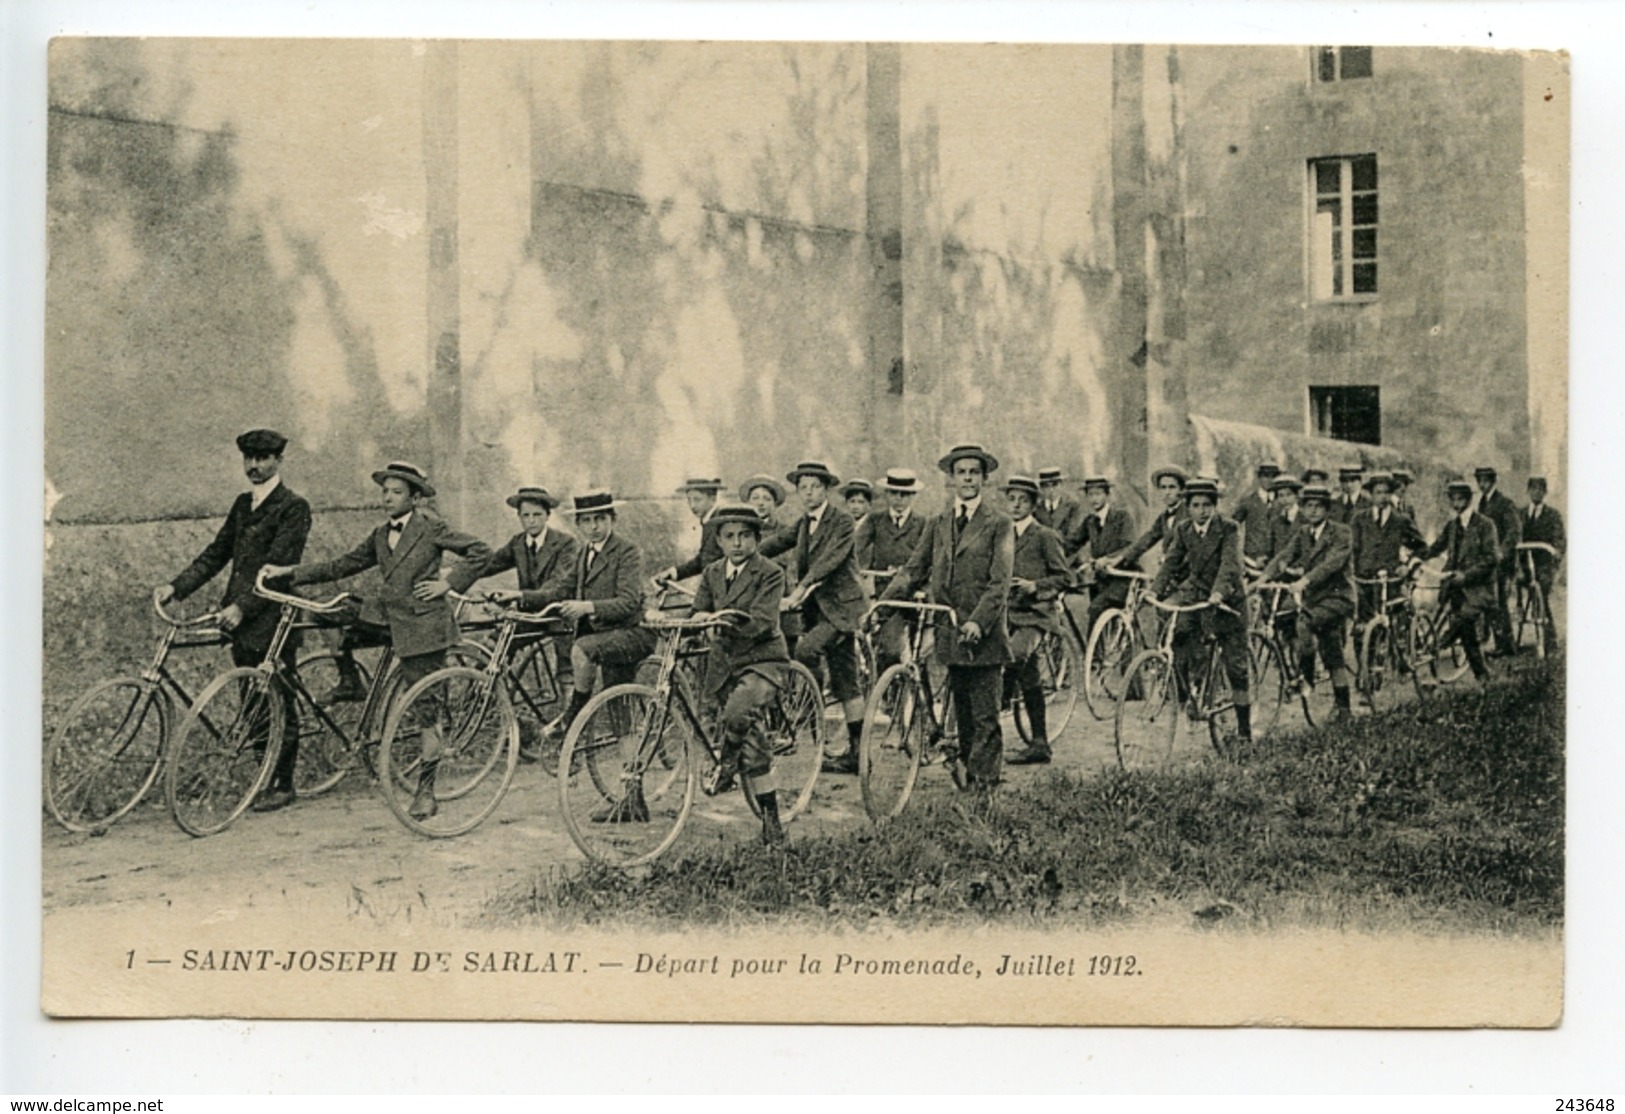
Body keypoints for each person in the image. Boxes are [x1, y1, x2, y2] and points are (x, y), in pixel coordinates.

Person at [264, 461, 491, 820]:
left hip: (423, 625)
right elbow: (342, 565)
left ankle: (426, 791)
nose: (388, 498)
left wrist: (448, 584)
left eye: (396, 492)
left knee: (426, 712)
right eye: (385, 491)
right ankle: (349, 679)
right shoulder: (380, 534)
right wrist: (290, 572)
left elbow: (480, 551)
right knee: (325, 612)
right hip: (386, 615)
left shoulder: (430, 527)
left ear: (415, 498)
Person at [157, 428, 312, 812]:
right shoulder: (243, 505)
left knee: (276, 698)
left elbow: (275, 568)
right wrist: (176, 588)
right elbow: (216, 554)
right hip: (242, 621)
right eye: (249, 459)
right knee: (252, 700)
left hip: (275, 615)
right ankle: (265, 772)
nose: (254, 466)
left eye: (262, 459)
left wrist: (242, 606)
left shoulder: (293, 507)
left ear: (278, 461)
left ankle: (284, 783)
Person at [881, 443, 1014, 791]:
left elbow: (999, 584)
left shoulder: (999, 524)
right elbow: (913, 569)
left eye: (973, 472)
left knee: (985, 715)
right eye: (961, 472)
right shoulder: (939, 523)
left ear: (984, 479)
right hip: (949, 630)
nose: (967, 478)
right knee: (965, 715)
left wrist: (978, 622)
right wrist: (882, 605)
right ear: (951, 480)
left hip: (981, 634)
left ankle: (984, 788)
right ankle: (971, 781)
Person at [686, 503, 795, 843]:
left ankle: (727, 767)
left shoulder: (770, 572)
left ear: (756, 539)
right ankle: (769, 817)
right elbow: (698, 609)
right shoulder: (713, 573)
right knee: (751, 737)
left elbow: (763, 621)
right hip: (724, 664)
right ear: (718, 541)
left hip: (762, 659)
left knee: (738, 714)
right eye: (729, 536)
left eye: (745, 536)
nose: (737, 543)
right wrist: (689, 621)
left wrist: (722, 620)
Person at [760, 461, 869, 772]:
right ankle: (857, 756)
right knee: (847, 682)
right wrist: (745, 556)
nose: (809, 493)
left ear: (826, 489)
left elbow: (829, 562)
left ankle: (813, 706)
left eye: (815, 487)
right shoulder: (804, 523)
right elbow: (776, 543)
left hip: (841, 610)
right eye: (803, 488)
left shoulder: (842, 521)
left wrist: (799, 590)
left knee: (806, 650)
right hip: (819, 610)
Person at [477, 485, 581, 762]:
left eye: (536, 515)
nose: (531, 521)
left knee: (567, 669)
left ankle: (571, 735)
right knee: (493, 648)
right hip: (531, 615)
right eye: (525, 515)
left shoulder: (565, 544)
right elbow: (487, 564)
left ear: (547, 515)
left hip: (561, 615)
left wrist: (519, 595)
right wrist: (449, 576)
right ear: (520, 517)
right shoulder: (518, 544)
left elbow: (558, 589)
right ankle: (510, 719)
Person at [547, 490, 660, 743]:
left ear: (612, 519)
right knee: (618, 707)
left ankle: (574, 714)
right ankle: (623, 769)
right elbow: (559, 591)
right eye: (586, 521)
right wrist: (518, 596)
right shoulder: (584, 553)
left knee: (582, 652)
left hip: (632, 633)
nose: (594, 526)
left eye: (600, 519)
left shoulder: (627, 552)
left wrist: (587, 606)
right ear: (578, 525)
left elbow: (628, 603)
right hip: (604, 637)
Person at [1147, 479, 1252, 744]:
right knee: (1178, 634)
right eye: (1195, 505)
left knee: (1236, 667)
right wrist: (1154, 590)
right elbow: (1171, 561)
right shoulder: (1183, 529)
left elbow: (1230, 565)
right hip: (1197, 596)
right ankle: (1189, 696)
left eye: (1207, 505)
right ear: (1188, 506)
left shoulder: (1228, 529)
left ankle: (1244, 731)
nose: (1201, 511)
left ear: (1215, 506)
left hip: (1227, 602)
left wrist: (1218, 593)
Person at [1261, 484, 1357, 719]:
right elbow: (1284, 555)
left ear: (1327, 509)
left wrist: (1305, 580)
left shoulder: (1341, 532)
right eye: (1308, 506)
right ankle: (1344, 709)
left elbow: (1332, 563)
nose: (1313, 511)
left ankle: (1307, 677)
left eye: (1318, 506)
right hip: (1315, 599)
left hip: (1338, 597)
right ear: (1302, 508)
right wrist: (1262, 579)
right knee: (1332, 649)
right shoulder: (1303, 532)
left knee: (1303, 623)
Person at [1001, 475, 1072, 765]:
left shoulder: (1044, 535)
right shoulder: (1001, 533)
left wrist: (1036, 586)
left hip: (1036, 615)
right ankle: (1040, 742)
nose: (1016, 505)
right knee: (1028, 675)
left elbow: (1065, 577)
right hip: (1007, 613)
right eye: (1012, 499)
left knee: (1014, 654)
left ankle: (1001, 702)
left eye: (1023, 500)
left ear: (1033, 505)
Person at [1418, 480, 1499, 683]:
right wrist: (1418, 558)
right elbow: (1436, 547)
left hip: (1479, 589)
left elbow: (1491, 558)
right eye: (1453, 499)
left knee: (1462, 620)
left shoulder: (1485, 525)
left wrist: (1467, 575)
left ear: (1469, 500)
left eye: (1460, 498)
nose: (1456, 503)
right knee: (1468, 636)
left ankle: (1439, 643)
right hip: (1454, 586)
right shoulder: (1452, 526)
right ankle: (1482, 675)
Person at [853, 468, 929, 674]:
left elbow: (928, 559)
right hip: (887, 599)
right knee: (889, 650)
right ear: (887, 494)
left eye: (904, 494)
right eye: (894, 493)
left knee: (920, 656)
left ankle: (925, 704)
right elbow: (855, 549)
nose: (899, 499)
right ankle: (889, 697)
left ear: (912, 496)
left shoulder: (923, 524)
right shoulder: (874, 521)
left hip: (915, 596)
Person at [1349, 472, 1424, 624]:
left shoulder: (1401, 520)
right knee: (1362, 627)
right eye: (1378, 492)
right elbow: (1352, 549)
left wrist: (1407, 566)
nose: (1383, 497)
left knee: (1399, 617)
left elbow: (1422, 548)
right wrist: (1352, 572)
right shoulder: (1359, 519)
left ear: (1391, 494)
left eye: (1386, 492)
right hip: (1364, 581)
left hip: (1391, 580)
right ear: (1370, 495)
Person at [1076, 475, 1138, 642]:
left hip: (1124, 579)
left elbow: (1130, 547)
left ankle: (1093, 663)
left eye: (1098, 494)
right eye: (1090, 494)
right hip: (1101, 580)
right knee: (1098, 619)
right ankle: (1096, 659)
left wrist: (1108, 559)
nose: (1094, 499)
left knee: (1097, 609)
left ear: (1107, 495)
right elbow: (1071, 543)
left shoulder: (1122, 516)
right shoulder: (1090, 521)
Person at [1473, 465, 1523, 657]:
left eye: (1485, 480)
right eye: (1479, 481)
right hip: (1488, 561)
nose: (1482, 484)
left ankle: (1506, 646)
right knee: (1491, 602)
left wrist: (1502, 552)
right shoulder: (1482, 503)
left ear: (1493, 481)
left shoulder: (1505, 503)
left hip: (1503, 563)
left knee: (1500, 602)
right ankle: (1499, 642)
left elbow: (1514, 532)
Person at [1519, 476, 1565, 655]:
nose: (1536, 493)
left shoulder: (1553, 515)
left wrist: (1555, 554)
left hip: (1544, 565)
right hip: (1524, 565)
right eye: (1533, 489)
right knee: (1519, 585)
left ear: (1545, 493)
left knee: (1541, 594)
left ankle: (1549, 640)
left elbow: (1560, 540)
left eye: (1540, 490)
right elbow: (1515, 535)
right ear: (1528, 491)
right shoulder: (1521, 514)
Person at [654, 477, 726, 584]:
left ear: (713, 499)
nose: (692, 506)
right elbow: (703, 559)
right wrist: (675, 572)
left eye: (697, 500)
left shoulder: (719, 522)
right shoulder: (708, 522)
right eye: (689, 500)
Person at [1114, 465, 1190, 568]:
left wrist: (1168, 559)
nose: (1167, 492)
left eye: (1172, 487)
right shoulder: (1164, 516)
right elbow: (1148, 538)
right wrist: (1122, 558)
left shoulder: (1189, 513)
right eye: (1163, 487)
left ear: (1181, 490)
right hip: (1170, 572)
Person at [1234, 462, 1281, 569]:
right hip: (1252, 558)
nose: (1270, 480)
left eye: (1273, 476)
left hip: (1277, 557)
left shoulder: (1282, 502)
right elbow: (1234, 525)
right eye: (1266, 476)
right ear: (1259, 478)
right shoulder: (1248, 501)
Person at [1034, 466, 1087, 557]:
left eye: (1054, 485)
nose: (1051, 490)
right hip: (1042, 557)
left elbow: (1073, 536)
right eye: (1046, 486)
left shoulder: (1072, 506)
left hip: (1068, 557)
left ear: (1061, 485)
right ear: (1041, 488)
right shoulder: (1035, 509)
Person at [1262, 474, 1304, 566]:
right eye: (1281, 496)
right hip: (1278, 570)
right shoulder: (1275, 521)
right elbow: (1270, 549)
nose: (1285, 499)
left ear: (1296, 496)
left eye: (1289, 495)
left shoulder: (1306, 519)